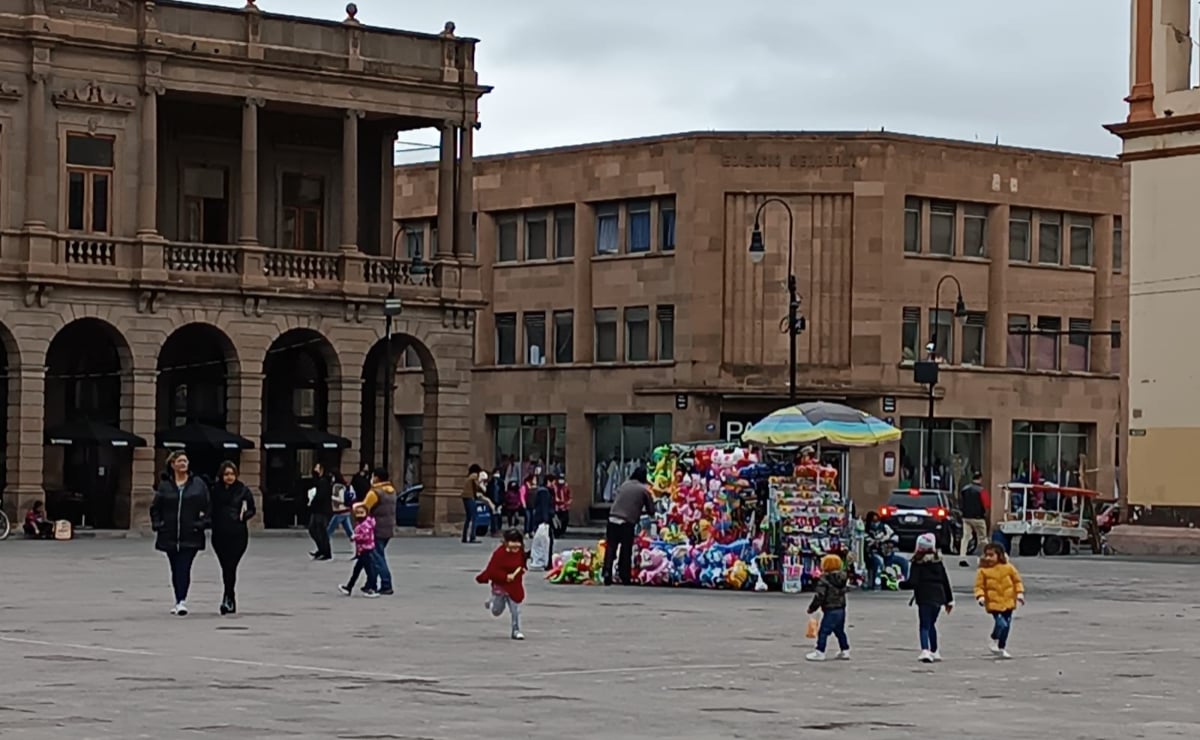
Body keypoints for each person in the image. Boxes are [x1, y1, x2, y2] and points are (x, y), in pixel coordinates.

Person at [150, 451, 211, 616]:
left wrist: (202, 523)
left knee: (184, 567)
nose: (184, 463)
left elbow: (208, 506)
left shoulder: (198, 484)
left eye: (185, 460)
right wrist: (158, 524)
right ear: (173, 464)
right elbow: (156, 508)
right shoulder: (165, 486)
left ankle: (182, 601)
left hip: (190, 533)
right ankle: (177, 599)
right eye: (180, 461)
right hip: (169, 534)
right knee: (175, 569)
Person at [209, 461, 257, 615]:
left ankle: (228, 597)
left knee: (231, 566)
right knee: (225, 566)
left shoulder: (243, 490)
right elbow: (209, 509)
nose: (229, 477)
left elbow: (252, 509)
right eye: (226, 474)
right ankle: (229, 596)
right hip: (219, 533)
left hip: (237, 533)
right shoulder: (215, 490)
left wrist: (243, 516)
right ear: (221, 475)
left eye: (232, 474)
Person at [900, 532, 954, 663]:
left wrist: (900, 583)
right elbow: (945, 581)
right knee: (931, 624)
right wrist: (949, 600)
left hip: (924, 596)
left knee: (924, 625)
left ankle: (925, 650)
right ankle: (935, 650)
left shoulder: (917, 563)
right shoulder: (938, 562)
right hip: (939, 596)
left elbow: (913, 582)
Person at [602, 467, 654, 586]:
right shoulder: (643, 490)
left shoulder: (624, 485)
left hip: (612, 518)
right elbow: (651, 509)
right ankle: (624, 575)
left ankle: (606, 572)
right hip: (627, 521)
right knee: (626, 550)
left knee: (611, 547)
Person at [974, 543, 1025, 659]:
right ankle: (993, 637)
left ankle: (1002, 647)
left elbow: (1017, 581)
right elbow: (979, 586)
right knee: (1001, 623)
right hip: (994, 602)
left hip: (1008, 600)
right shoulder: (983, 571)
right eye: (986, 555)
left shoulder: (1008, 567)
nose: (988, 558)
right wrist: (980, 596)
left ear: (1000, 555)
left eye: (991, 555)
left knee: (1007, 626)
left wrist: (1019, 593)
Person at [475, 528, 526, 640]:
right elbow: (492, 570)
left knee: (516, 610)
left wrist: (520, 571)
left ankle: (516, 630)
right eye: (513, 542)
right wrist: (505, 577)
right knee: (496, 611)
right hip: (501, 587)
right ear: (507, 542)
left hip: (514, 586)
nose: (516, 545)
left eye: (518, 542)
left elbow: (521, 565)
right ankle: (492, 600)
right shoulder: (499, 554)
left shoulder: (520, 552)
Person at [805, 554, 851, 662]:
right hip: (841, 609)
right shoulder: (843, 578)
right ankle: (845, 650)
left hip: (830, 609)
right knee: (839, 631)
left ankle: (820, 652)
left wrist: (812, 608)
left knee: (823, 632)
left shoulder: (824, 579)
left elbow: (820, 596)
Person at [361, 466, 396, 595]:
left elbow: (364, 508)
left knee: (377, 557)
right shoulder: (391, 491)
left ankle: (386, 583)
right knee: (375, 555)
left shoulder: (375, 492)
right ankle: (371, 583)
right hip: (388, 527)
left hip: (375, 528)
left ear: (376, 477)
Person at [338, 503, 379, 598]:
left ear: (366, 513)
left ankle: (370, 588)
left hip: (366, 549)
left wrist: (355, 537)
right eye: (357, 513)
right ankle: (349, 587)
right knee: (357, 570)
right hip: (362, 550)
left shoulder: (365, 524)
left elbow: (365, 537)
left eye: (362, 512)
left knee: (370, 571)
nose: (359, 515)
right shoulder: (363, 523)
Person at [863, 511, 909, 588]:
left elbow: (895, 537)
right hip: (875, 555)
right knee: (879, 562)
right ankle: (877, 583)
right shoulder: (866, 530)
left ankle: (903, 583)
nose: (876, 523)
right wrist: (877, 543)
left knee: (904, 562)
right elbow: (868, 542)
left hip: (888, 554)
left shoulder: (885, 527)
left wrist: (890, 542)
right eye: (873, 521)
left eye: (877, 521)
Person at [958, 472, 991, 567]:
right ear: (980, 479)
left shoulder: (964, 490)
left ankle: (962, 557)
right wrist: (985, 514)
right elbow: (987, 505)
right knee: (983, 538)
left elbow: (960, 502)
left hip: (966, 517)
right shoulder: (982, 491)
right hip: (978, 518)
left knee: (965, 538)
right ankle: (985, 556)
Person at [307, 463, 334, 561]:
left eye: (316, 467)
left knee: (320, 531)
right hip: (318, 510)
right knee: (314, 529)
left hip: (322, 510)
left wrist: (312, 503)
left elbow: (320, 496)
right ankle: (321, 549)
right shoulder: (320, 480)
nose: (314, 469)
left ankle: (326, 552)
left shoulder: (324, 481)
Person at [327, 475, 355, 551]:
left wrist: (331, 497)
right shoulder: (344, 486)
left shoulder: (337, 487)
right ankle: (357, 549)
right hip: (346, 511)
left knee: (329, 531)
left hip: (340, 511)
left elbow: (341, 500)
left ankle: (324, 549)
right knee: (350, 532)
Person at [462, 464, 485, 544]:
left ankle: (464, 537)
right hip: (470, 497)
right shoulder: (474, 476)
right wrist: (482, 486)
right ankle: (472, 536)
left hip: (465, 497)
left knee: (468, 518)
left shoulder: (469, 476)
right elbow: (477, 485)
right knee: (474, 517)